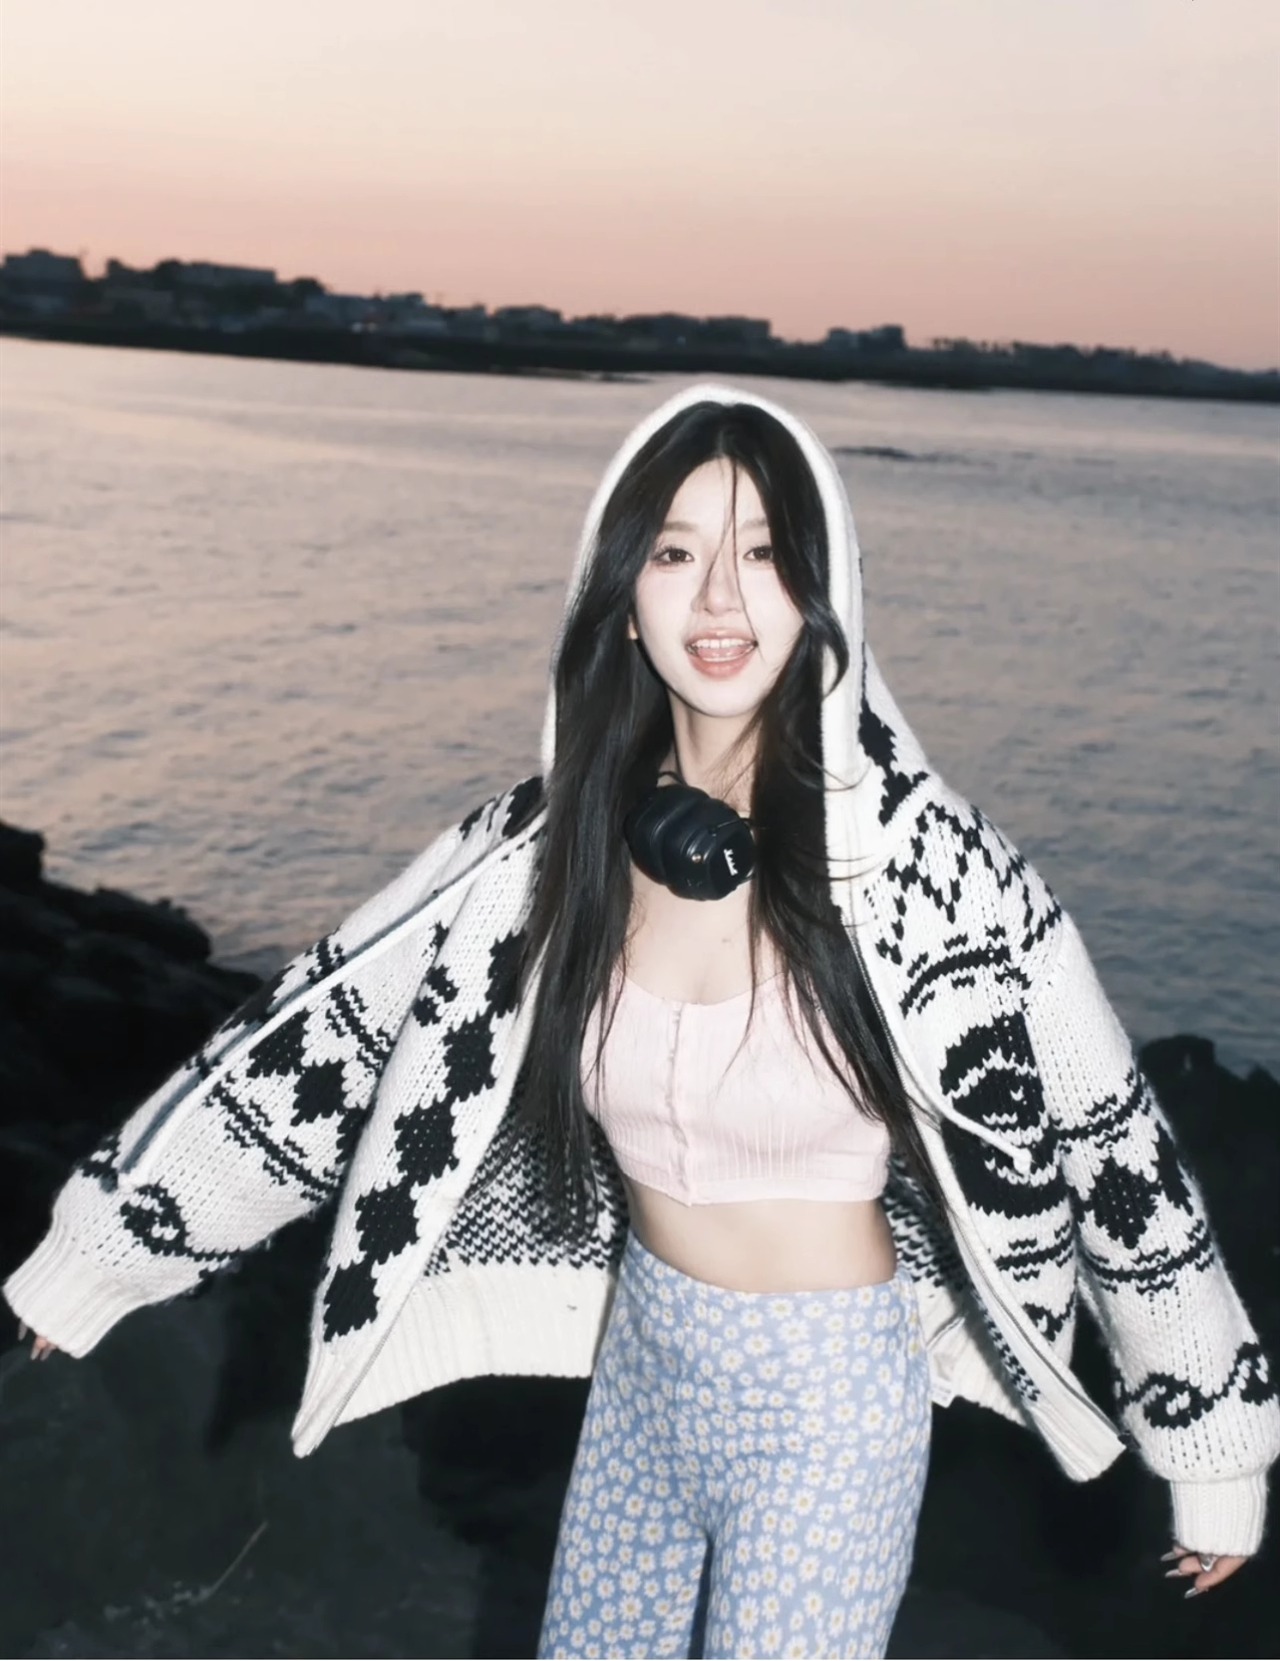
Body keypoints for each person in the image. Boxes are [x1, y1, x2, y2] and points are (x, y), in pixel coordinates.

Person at [7, 384, 1277, 1660]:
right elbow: (320, 1041)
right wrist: (107, 1254)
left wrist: (1212, 1447)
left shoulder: (929, 871)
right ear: (619, 593)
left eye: (764, 553)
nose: (719, 598)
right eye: (674, 553)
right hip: (645, 1360)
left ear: (825, 590)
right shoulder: (542, 848)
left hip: (829, 1398)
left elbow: (1113, 1145)